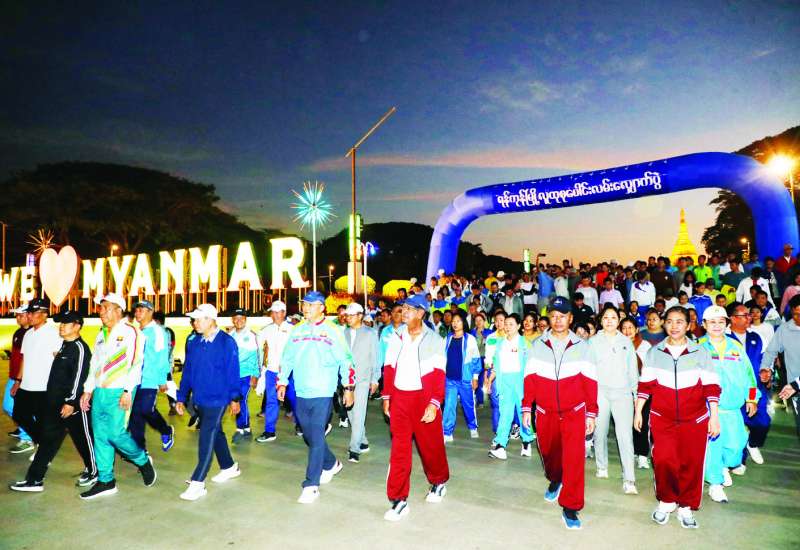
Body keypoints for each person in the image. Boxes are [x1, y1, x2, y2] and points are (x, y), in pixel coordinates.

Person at [635, 306, 721, 528]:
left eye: (680, 321)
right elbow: (645, 384)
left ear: (689, 325)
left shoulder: (700, 352)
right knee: (664, 460)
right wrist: (638, 411)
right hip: (662, 418)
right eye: (670, 321)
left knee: (691, 462)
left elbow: (711, 386)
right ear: (664, 324)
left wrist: (714, 417)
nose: (674, 326)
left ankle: (685, 506)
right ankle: (666, 501)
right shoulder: (655, 352)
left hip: (695, 419)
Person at [521, 296, 597, 530]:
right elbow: (530, 378)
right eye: (553, 316)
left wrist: (591, 413)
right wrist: (527, 407)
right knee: (550, 454)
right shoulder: (538, 345)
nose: (558, 320)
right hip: (546, 412)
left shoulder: (582, 346)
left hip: (574, 412)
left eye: (562, 316)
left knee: (574, 460)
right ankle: (556, 478)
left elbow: (590, 381)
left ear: (570, 318)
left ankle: (571, 506)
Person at [277, 291, 355, 504]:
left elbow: (346, 360)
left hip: (323, 391)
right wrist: (282, 381)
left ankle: (311, 484)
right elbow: (287, 357)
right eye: (304, 304)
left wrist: (348, 387)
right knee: (309, 435)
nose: (306, 308)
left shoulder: (333, 331)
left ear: (322, 307)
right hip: (301, 391)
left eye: (311, 305)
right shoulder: (298, 330)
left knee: (317, 434)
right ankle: (331, 464)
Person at [9, 310, 97, 492]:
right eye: (61, 323)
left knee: (84, 440)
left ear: (77, 326)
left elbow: (79, 377)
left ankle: (94, 471)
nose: (61, 326)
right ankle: (34, 480)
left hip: (72, 406)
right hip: (55, 405)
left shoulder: (80, 348)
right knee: (48, 441)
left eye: (66, 323)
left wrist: (70, 402)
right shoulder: (65, 345)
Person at [79, 293, 156, 499]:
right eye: (100, 308)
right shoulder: (101, 334)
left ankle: (142, 460)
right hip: (100, 392)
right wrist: (88, 389)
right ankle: (106, 480)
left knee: (115, 434)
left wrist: (128, 391)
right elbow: (94, 364)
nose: (101, 312)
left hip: (119, 391)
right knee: (100, 436)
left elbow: (136, 363)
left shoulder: (132, 332)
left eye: (105, 307)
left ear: (118, 310)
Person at [381, 293, 449, 521]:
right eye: (403, 308)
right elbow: (389, 368)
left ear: (421, 313)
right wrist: (387, 396)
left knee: (430, 446)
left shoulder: (435, 340)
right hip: (400, 398)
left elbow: (439, 374)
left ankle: (438, 481)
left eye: (409, 309)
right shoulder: (395, 336)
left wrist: (434, 402)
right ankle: (398, 499)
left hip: (423, 398)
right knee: (399, 449)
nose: (404, 312)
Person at [696, 306, 757, 503]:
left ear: (727, 324)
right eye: (712, 322)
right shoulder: (698, 347)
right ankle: (715, 484)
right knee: (713, 448)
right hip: (708, 409)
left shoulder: (735, 347)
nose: (717, 326)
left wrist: (752, 398)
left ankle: (724, 466)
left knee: (736, 446)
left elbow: (749, 375)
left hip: (732, 409)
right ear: (704, 325)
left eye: (721, 322)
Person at [588, 306, 638, 494]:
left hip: (622, 393)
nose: (609, 320)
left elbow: (633, 370)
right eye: (606, 317)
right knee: (599, 432)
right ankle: (602, 465)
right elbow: (588, 370)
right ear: (601, 321)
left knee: (625, 435)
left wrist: (635, 395)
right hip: (600, 392)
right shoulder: (593, 342)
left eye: (613, 317)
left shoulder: (626, 341)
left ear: (618, 321)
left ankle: (629, 478)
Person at [11, 298, 63, 458]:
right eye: (29, 313)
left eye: (33, 313)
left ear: (44, 314)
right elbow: (24, 359)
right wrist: (18, 381)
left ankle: (43, 451)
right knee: (19, 414)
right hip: (26, 385)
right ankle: (43, 443)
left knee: (42, 420)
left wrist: (58, 386)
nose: (30, 316)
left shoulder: (54, 333)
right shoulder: (28, 334)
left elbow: (59, 361)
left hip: (43, 387)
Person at [726, 303, 770, 465]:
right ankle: (739, 461)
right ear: (733, 318)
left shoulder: (756, 337)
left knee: (763, 422)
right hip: (732, 389)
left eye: (749, 315)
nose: (749, 318)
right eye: (744, 315)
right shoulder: (724, 338)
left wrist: (766, 371)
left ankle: (753, 444)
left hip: (754, 388)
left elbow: (766, 359)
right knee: (737, 427)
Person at [129, 300, 174, 454]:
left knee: (146, 409)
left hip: (150, 380)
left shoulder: (158, 331)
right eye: (136, 310)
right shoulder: (135, 331)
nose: (137, 313)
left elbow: (162, 356)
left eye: (141, 310)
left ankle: (166, 430)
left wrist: (162, 380)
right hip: (134, 380)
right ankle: (140, 450)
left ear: (150, 312)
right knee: (135, 415)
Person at [488, 313, 534, 460]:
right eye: (506, 324)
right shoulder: (500, 343)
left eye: (511, 324)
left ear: (518, 326)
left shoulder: (525, 343)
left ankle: (526, 441)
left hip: (520, 382)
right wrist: (490, 380)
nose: (507, 327)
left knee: (523, 412)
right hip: (504, 382)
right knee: (505, 414)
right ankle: (501, 445)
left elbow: (532, 365)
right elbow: (496, 364)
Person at [343, 302, 380, 463]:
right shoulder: (344, 333)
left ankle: (354, 448)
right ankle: (363, 441)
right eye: (347, 315)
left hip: (363, 379)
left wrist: (375, 378)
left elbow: (376, 357)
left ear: (360, 316)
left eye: (351, 315)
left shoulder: (371, 333)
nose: (348, 318)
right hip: (347, 381)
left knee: (358, 414)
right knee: (350, 412)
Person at [761, 295, 800, 439]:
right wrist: (765, 368)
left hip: (795, 385)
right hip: (795, 390)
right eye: (795, 314)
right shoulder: (784, 329)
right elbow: (771, 351)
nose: (798, 318)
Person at [256, 301, 295, 442]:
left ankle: (301, 425)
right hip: (271, 371)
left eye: (279, 312)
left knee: (294, 399)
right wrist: (260, 371)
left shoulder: (293, 329)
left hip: (289, 372)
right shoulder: (265, 330)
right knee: (271, 401)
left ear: (284, 313)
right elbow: (260, 351)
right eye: (274, 312)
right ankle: (269, 431)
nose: (276, 315)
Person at [442, 310, 482, 441]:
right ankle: (447, 432)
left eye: (458, 321)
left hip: (465, 379)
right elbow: (442, 357)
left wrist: (475, 378)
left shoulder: (470, 339)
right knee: (449, 405)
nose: (455, 323)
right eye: (453, 321)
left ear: (463, 323)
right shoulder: (447, 338)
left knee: (468, 405)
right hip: (450, 379)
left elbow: (476, 359)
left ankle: (473, 427)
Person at [620, 317, 652, 469]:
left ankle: (642, 455)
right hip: (623, 389)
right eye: (624, 328)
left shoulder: (645, 345)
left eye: (630, 327)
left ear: (637, 329)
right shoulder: (617, 345)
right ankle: (631, 451)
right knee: (626, 422)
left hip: (642, 389)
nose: (627, 331)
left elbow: (648, 367)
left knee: (642, 422)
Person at [228, 308, 261, 444]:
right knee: (235, 399)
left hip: (246, 374)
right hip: (232, 375)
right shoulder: (230, 335)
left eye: (241, 318)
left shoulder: (252, 336)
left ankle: (240, 429)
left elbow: (257, 356)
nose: (238, 321)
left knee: (241, 399)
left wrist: (255, 375)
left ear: (245, 320)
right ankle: (246, 428)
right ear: (232, 320)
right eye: (236, 318)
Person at [5, 306, 33, 453]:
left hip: (23, 379)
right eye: (17, 315)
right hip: (14, 376)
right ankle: (24, 428)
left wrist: (19, 379)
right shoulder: (19, 332)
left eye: (20, 315)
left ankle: (28, 437)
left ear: (29, 315)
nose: (18, 318)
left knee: (21, 409)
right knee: (8, 406)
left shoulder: (32, 334)